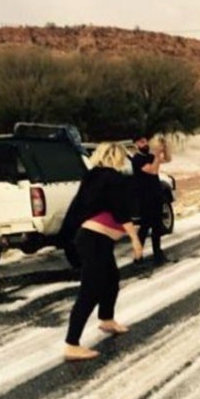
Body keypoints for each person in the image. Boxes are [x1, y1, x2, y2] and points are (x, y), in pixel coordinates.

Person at [62, 142, 143, 361]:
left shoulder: (93, 177)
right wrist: (135, 240)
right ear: (116, 157)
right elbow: (120, 212)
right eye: (123, 157)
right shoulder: (113, 179)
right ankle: (71, 344)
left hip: (91, 239)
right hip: (94, 240)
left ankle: (107, 319)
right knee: (90, 290)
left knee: (111, 279)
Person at [131, 133, 172, 265]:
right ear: (136, 145)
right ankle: (138, 256)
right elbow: (153, 170)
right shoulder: (137, 159)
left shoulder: (150, 156)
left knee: (157, 226)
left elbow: (168, 159)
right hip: (144, 197)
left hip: (155, 195)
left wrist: (164, 149)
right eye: (141, 143)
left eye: (145, 142)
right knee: (144, 227)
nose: (145, 145)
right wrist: (157, 156)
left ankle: (158, 254)